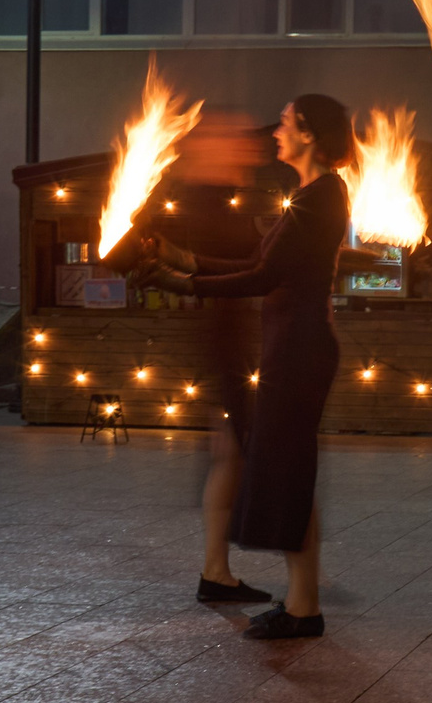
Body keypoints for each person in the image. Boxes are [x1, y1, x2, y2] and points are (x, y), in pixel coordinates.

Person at [138, 97, 353, 640]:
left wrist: (179, 284)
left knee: (289, 474)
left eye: (284, 122)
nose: (275, 131)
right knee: (288, 475)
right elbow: (261, 265)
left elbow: (262, 278)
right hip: (291, 347)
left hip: (301, 350)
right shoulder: (311, 195)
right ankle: (302, 601)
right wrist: (183, 260)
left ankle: (305, 610)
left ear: (308, 132)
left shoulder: (324, 193)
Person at [131, 112, 274, 606]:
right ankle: (219, 570)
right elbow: (238, 271)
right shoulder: (211, 205)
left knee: (229, 456)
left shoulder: (221, 204)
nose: (251, 149)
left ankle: (217, 570)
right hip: (227, 347)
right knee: (233, 454)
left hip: (231, 346)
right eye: (236, 142)